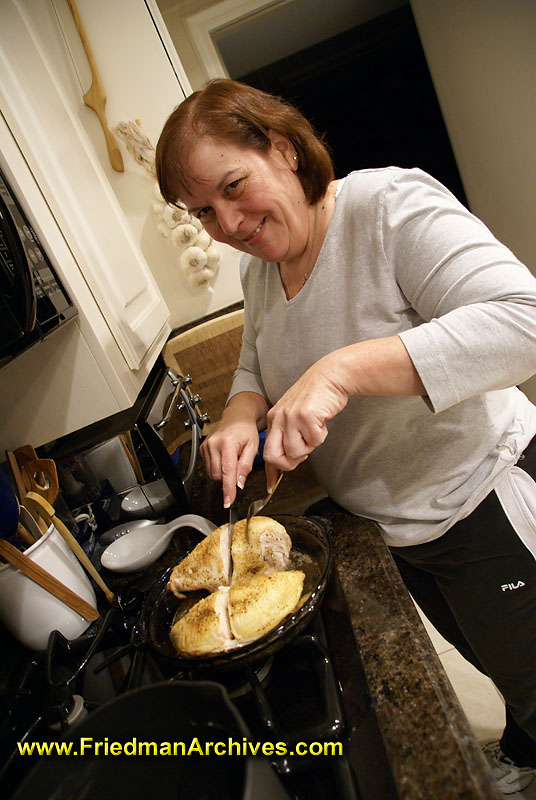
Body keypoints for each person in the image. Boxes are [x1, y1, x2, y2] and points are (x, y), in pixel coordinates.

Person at [156, 79, 536, 794]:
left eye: (234, 187)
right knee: (503, 667)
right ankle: (524, 744)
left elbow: (524, 321)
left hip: (483, 502)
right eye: (203, 210)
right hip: (401, 527)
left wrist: (342, 370)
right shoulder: (261, 267)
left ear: (287, 149)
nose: (229, 222)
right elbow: (254, 362)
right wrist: (241, 413)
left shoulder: (386, 208)